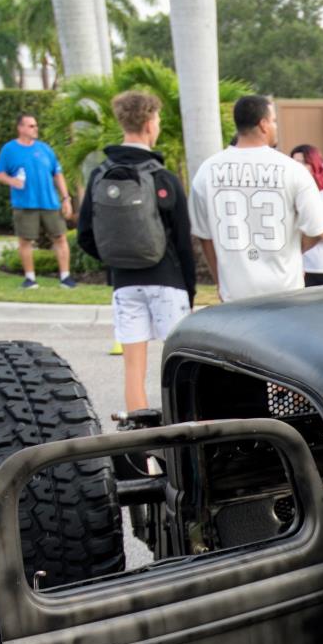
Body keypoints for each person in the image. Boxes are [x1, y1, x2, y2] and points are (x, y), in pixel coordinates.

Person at [76, 89, 196, 412]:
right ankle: (185, 435)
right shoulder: (162, 177)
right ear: (148, 123)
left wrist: (115, 259)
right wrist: (190, 290)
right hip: (167, 280)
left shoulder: (100, 175)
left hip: (124, 284)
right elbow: (183, 242)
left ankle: (139, 441)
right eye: (157, 119)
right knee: (182, 367)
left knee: (133, 371)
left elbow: (85, 235)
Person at [189, 94, 323, 302]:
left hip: (236, 293)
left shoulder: (207, 171)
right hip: (285, 289)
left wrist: (220, 281)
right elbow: (316, 230)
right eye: (274, 121)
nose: (276, 127)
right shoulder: (292, 169)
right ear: (263, 124)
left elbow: (205, 236)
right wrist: (293, 253)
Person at [0, 111, 76, 289]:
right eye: (31, 126)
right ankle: (30, 279)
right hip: (25, 204)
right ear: (20, 128)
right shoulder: (9, 150)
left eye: (36, 125)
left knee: (60, 238)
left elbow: (57, 174)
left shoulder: (45, 149)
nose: (35, 129)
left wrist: (66, 198)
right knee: (25, 241)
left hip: (50, 202)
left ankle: (65, 277)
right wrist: (12, 181)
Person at [290, 145, 323, 288]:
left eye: (303, 162)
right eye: (294, 162)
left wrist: (309, 230)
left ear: (314, 164)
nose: (298, 166)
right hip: (300, 266)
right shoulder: (291, 196)